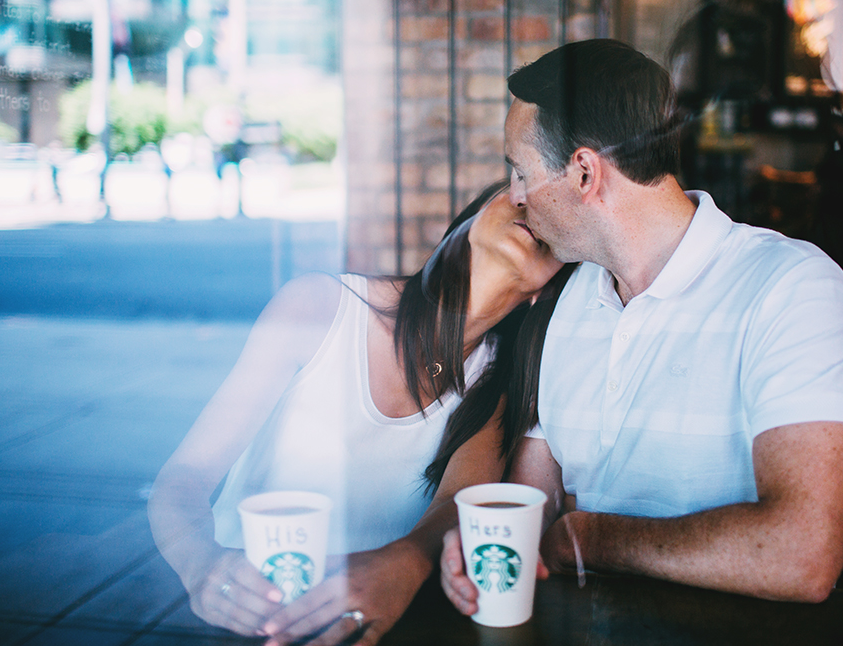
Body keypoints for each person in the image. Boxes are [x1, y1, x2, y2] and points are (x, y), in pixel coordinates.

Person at [440, 39, 843, 608]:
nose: (516, 198)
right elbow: (532, 509)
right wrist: (480, 546)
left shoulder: (790, 288)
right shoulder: (568, 299)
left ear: (584, 172)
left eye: (520, 172)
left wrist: (591, 538)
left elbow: (802, 555)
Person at [149, 179, 565, 646]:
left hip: (373, 625)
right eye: (519, 186)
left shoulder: (496, 385)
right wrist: (201, 565)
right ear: (470, 219)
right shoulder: (319, 307)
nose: (532, 206)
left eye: (554, 221)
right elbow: (183, 476)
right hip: (249, 615)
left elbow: (455, 507)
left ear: (544, 291)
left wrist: (406, 561)